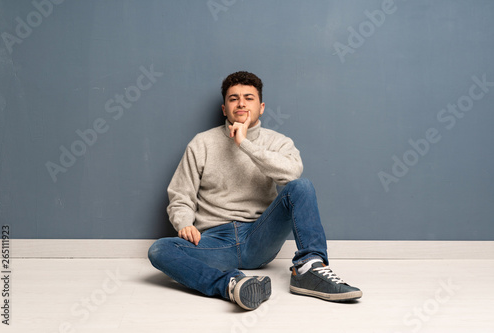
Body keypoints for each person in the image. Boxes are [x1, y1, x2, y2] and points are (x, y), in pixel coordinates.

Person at [148, 71, 362, 310]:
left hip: (260, 236)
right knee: (159, 249)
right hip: (216, 242)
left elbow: (292, 175)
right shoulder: (202, 143)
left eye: (248, 98)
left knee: (301, 187)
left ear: (260, 107)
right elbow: (181, 195)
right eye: (233, 98)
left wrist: (244, 143)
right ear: (224, 108)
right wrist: (184, 223)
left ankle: (308, 269)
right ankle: (232, 285)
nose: (241, 103)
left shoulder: (278, 141)